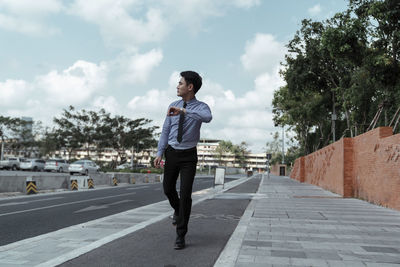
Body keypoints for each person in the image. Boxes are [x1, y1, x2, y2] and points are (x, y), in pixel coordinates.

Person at [154, 71, 212, 250]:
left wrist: (185, 111)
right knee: (168, 189)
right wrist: (159, 152)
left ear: (190, 87)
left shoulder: (201, 107)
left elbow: (207, 118)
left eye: (180, 83)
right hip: (171, 153)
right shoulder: (172, 105)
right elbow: (165, 130)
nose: (177, 86)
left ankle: (180, 235)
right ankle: (178, 210)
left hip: (188, 155)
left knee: (186, 195)